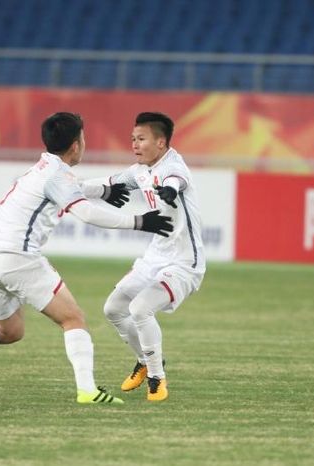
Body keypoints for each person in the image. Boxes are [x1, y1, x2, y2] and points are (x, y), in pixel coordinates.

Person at [0, 112, 173, 404]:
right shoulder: (57, 176)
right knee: (73, 319)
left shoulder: (44, 168)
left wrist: (105, 191)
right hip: (17, 258)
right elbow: (86, 212)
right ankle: (87, 390)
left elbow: (71, 187)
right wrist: (140, 221)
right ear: (76, 145)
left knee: (9, 331)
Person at [100, 112, 206, 402]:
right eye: (133, 139)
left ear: (160, 142)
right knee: (113, 308)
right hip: (154, 257)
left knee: (140, 309)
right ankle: (145, 361)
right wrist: (70, 189)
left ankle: (157, 378)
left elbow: (175, 181)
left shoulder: (174, 166)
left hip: (184, 263)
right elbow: (109, 182)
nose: (135, 144)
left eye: (141, 139)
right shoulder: (140, 171)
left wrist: (169, 191)